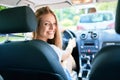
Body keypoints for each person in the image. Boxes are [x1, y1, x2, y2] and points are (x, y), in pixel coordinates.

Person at [33, 6, 77, 79]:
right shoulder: (50, 49)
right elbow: (66, 55)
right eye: (46, 24)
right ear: (37, 26)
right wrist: (71, 45)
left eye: (54, 23)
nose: (52, 28)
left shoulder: (26, 47)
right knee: (67, 61)